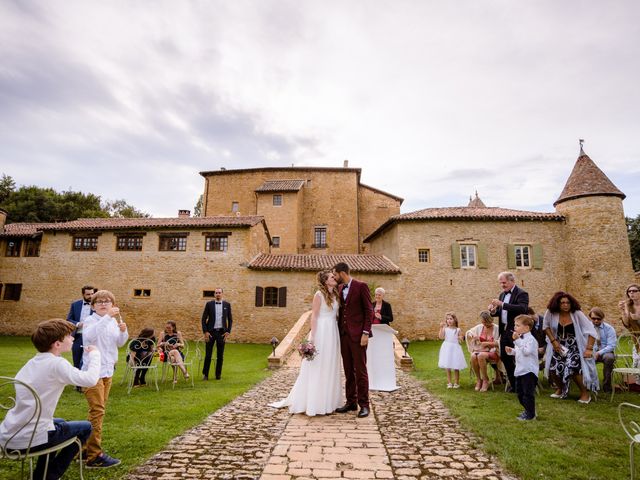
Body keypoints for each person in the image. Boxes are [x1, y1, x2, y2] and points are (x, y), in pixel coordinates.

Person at [0, 319, 100, 480]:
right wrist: (95, 354)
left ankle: (43, 472)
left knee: (59, 422)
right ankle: (49, 476)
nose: (73, 338)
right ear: (57, 344)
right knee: (86, 427)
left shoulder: (32, 362)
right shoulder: (57, 364)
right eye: (69, 336)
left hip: (9, 434)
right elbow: (89, 380)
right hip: (28, 440)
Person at [269, 270, 343, 415]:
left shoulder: (336, 294)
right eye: (331, 277)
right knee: (318, 364)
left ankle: (329, 401)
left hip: (333, 331)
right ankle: (314, 402)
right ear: (325, 280)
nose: (334, 278)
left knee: (329, 363)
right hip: (321, 331)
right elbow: (314, 316)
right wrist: (313, 337)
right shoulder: (319, 295)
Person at [81, 289, 128, 468]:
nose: (103, 303)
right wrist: (108, 317)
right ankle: (94, 456)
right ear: (93, 306)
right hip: (93, 373)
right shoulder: (90, 321)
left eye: (107, 301)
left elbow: (119, 343)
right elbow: (91, 336)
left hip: (108, 371)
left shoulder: (113, 322)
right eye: (99, 301)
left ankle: (84, 449)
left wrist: (123, 331)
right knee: (98, 411)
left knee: (96, 411)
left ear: (112, 304)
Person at [333, 262, 373, 418]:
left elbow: (368, 311)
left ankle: (364, 405)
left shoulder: (361, 286)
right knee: (348, 371)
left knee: (360, 371)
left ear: (342, 273)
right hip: (344, 336)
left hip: (358, 336)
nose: (334, 278)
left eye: (335, 275)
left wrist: (365, 333)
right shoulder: (340, 288)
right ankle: (351, 402)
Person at [543, 291, 598, 403]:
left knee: (573, 365)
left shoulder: (576, 313)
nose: (565, 305)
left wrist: (589, 349)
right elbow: (546, 327)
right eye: (562, 303)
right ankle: (561, 389)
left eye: (568, 303)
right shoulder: (551, 313)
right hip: (558, 345)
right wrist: (554, 342)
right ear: (557, 303)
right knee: (553, 366)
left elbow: (591, 331)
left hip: (575, 346)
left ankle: (585, 393)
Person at [488, 271, 529, 392]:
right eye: (500, 283)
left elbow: (522, 309)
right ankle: (514, 384)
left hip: (517, 332)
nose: (502, 285)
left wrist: (502, 304)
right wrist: (493, 311)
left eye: (504, 282)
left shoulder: (522, 293)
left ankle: (524, 384)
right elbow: (502, 313)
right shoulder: (502, 295)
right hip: (505, 332)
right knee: (505, 357)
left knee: (519, 358)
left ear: (512, 281)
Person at [505, 314, 539, 421]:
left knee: (527, 394)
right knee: (520, 393)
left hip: (529, 371)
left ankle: (530, 414)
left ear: (527, 328)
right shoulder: (520, 339)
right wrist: (512, 351)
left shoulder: (531, 340)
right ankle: (528, 410)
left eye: (518, 325)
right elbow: (520, 351)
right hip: (520, 370)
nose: (515, 327)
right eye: (515, 325)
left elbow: (527, 351)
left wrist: (517, 341)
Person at [466, 311, 503, 392]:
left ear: (490, 320)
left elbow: (499, 343)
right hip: (481, 350)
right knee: (473, 356)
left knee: (480, 355)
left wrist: (486, 343)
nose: (484, 324)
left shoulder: (497, 328)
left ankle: (485, 379)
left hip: (494, 351)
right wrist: (472, 335)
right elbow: (469, 332)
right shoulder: (480, 327)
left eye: (485, 322)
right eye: (482, 322)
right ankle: (479, 380)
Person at [201, 288, 232, 380]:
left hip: (221, 333)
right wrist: (205, 332)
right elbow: (203, 319)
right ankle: (205, 375)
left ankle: (218, 375)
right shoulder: (209, 304)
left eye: (219, 293)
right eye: (216, 293)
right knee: (208, 355)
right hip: (210, 332)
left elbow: (230, 319)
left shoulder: (227, 305)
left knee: (220, 355)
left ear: (222, 294)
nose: (218, 294)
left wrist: (228, 331)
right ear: (214, 294)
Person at [66, 285, 96, 372]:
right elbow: (68, 319)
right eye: (88, 294)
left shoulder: (97, 305)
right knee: (76, 359)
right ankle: (77, 383)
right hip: (78, 336)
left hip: (91, 337)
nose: (90, 296)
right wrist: (78, 324)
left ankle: (87, 381)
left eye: (92, 294)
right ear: (83, 294)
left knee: (88, 360)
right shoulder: (75, 305)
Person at [588, 307, 617, 393]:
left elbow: (611, 345)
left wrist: (599, 353)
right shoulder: (587, 328)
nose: (596, 321)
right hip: (590, 351)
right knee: (584, 357)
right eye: (593, 319)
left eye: (598, 319)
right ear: (590, 318)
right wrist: (591, 352)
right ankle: (589, 384)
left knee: (609, 358)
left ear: (602, 318)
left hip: (605, 352)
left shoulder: (609, 328)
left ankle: (607, 386)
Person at [438, 312, 466, 388]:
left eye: (451, 319)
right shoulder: (445, 329)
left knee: (456, 366)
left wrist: (460, 338)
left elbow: (461, 339)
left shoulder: (458, 329)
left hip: (455, 348)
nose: (449, 320)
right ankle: (449, 382)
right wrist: (441, 328)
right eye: (447, 319)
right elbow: (441, 337)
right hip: (447, 348)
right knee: (448, 366)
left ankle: (456, 383)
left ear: (454, 320)